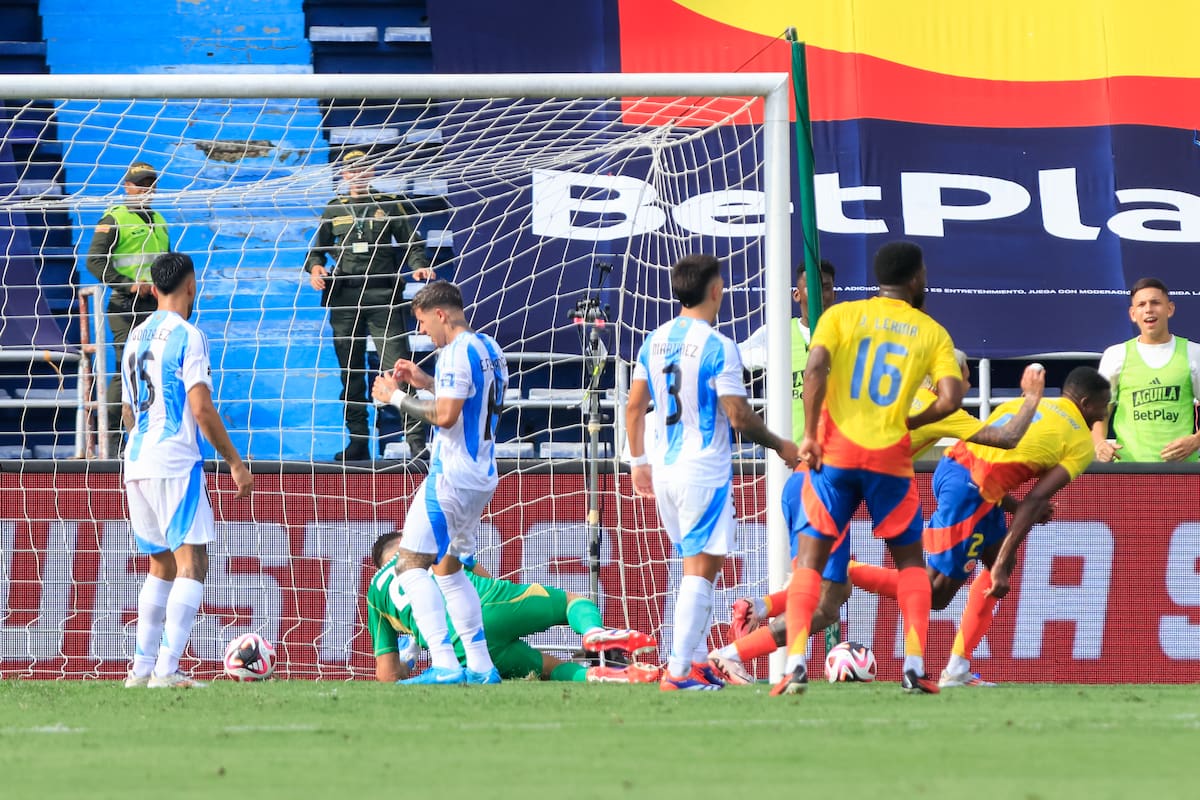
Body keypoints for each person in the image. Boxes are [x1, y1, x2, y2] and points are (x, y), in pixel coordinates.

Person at [709, 353, 1045, 684]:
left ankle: (756, 612)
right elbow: (1007, 438)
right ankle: (730, 655)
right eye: (965, 378)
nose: (969, 386)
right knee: (827, 604)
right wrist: (1031, 398)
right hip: (822, 494)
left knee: (835, 590)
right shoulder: (939, 410)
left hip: (807, 483)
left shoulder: (889, 394)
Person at [772, 240, 963, 696]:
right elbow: (951, 399)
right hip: (889, 459)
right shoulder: (932, 331)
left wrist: (811, 434)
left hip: (835, 454)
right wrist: (911, 421)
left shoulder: (841, 316)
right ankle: (914, 666)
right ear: (916, 278)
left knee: (810, 561)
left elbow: (815, 368)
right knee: (911, 563)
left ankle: (794, 663)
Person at [849, 367, 1109, 687]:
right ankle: (843, 571)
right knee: (936, 593)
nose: (1105, 413)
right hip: (970, 491)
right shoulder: (1081, 442)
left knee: (999, 561)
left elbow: (994, 463)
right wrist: (1003, 557)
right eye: (1103, 406)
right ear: (1086, 404)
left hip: (960, 474)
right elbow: (1036, 500)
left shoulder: (1020, 404)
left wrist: (1006, 538)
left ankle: (958, 668)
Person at [625, 254, 800, 692]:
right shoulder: (719, 346)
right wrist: (781, 445)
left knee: (694, 566)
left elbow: (633, 408)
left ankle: (698, 662)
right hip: (703, 471)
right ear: (717, 290)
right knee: (700, 573)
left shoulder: (653, 341)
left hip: (665, 470)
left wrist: (638, 462)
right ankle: (679, 671)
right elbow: (738, 415)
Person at [120, 252, 254, 689]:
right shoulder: (188, 335)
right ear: (191, 286)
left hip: (136, 460)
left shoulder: (135, 335)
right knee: (191, 562)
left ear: (153, 288)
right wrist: (234, 462)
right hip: (175, 461)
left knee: (160, 564)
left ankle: (141, 670)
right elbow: (200, 408)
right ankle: (166, 669)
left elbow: (127, 410)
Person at [369, 280, 507, 685]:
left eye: (423, 322)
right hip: (481, 474)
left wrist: (395, 397)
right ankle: (481, 667)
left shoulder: (454, 352)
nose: (422, 331)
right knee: (449, 571)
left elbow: (446, 417)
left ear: (441, 314)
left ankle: (445, 663)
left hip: (451, 474)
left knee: (409, 566)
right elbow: (468, 399)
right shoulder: (489, 348)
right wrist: (425, 381)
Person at [367, 531, 660, 683]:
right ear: (404, 539)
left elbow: (387, 676)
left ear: (381, 566)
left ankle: (596, 677)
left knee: (548, 670)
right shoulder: (424, 544)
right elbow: (484, 579)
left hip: (462, 650)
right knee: (572, 601)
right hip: (488, 604)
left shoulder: (375, 592)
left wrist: (410, 660)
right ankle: (593, 631)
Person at [306, 149, 435, 462]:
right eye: (352, 170)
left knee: (398, 368)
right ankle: (358, 440)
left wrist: (419, 265)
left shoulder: (389, 204)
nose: (357, 174)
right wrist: (315, 269)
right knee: (350, 373)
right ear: (344, 174)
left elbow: (412, 242)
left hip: (382, 297)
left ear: (372, 171)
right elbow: (316, 251)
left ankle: (415, 441)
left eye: (363, 169)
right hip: (346, 299)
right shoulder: (334, 208)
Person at [86, 162, 170, 457]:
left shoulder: (159, 220)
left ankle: (151, 435)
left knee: (156, 369)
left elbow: (166, 262)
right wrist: (128, 284)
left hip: (156, 306)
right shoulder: (114, 218)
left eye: (151, 184)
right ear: (128, 187)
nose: (147, 190)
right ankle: (111, 439)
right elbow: (94, 261)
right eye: (141, 184)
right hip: (126, 305)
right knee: (126, 368)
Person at [1093, 277, 1200, 463]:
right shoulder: (1115, 355)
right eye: (1141, 304)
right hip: (1130, 469)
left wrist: (1196, 440)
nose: (1149, 309)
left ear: (1170, 309)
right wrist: (1099, 443)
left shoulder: (1194, 353)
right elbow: (1098, 410)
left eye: (1155, 302)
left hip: (1181, 470)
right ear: (1133, 314)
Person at [738, 259, 837, 444]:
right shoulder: (777, 333)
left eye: (826, 288)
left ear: (834, 294)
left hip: (838, 451)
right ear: (797, 295)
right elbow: (734, 359)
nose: (819, 295)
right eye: (811, 288)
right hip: (791, 451)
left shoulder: (848, 333)